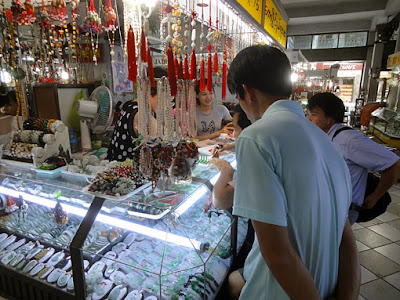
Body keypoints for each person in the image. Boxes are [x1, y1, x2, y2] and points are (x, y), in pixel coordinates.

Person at [227, 45, 360, 299]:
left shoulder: (256, 138)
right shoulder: (326, 143)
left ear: (247, 93)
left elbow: (277, 254)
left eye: (238, 100)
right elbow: (348, 242)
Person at [307, 92, 400, 224]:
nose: (308, 119)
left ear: (329, 119)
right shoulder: (326, 136)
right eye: (308, 114)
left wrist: (374, 197)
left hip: (345, 210)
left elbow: (394, 164)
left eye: (313, 115)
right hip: (329, 207)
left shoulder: (349, 139)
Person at [209, 104, 253, 299]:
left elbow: (220, 199)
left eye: (235, 129)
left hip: (259, 236)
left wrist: (224, 167)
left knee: (235, 280)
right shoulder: (261, 140)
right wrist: (230, 146)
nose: (233, 134)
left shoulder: (253, 152)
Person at [107, 67, 168, 161]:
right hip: (128, 172)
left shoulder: (129, 105)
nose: (166, 104)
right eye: (165, 98)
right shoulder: (141, 115)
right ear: (151, 91)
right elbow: (162, 140)